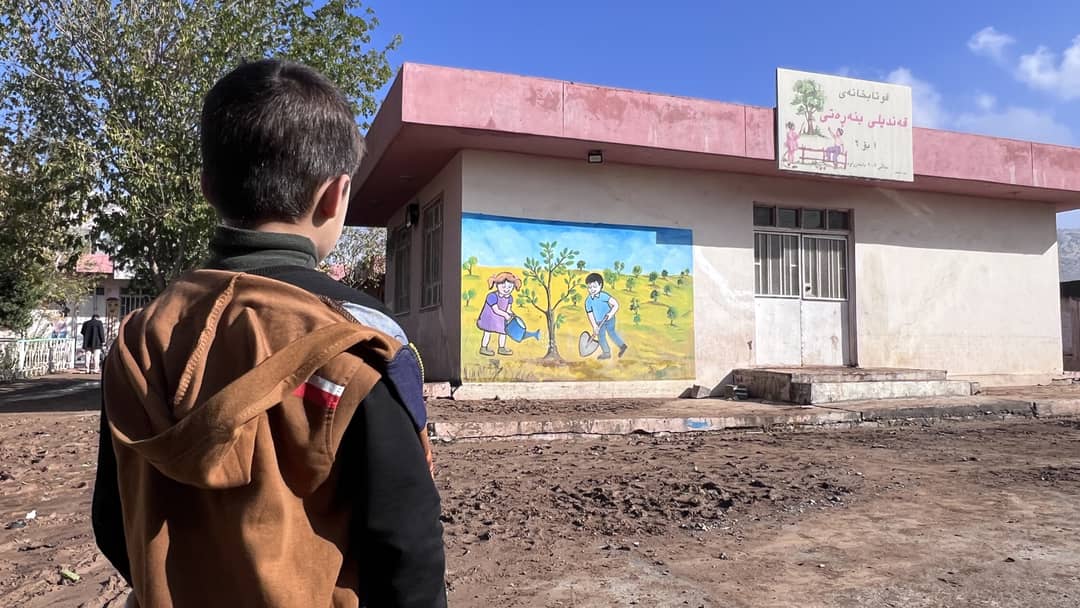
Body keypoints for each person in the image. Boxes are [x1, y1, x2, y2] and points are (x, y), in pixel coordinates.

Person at [92, 59, 446, 608]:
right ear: (336, 195)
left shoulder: (141, 336)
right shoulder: (362, 335)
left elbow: (114, 521)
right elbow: (407, 550)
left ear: (207, 187)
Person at [583, 273, 628, 360]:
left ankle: (622, 346)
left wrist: (610, 314)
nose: (592, 289)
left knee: (611, 333)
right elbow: (590, 314)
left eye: (594, 286)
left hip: (609, 319)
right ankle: (606, 353)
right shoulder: (588, 301)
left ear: (600, 285)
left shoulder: (604, 296)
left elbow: (615, 305)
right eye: (589, 287)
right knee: (601, 337)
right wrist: (595, 326)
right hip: (599, 322)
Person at [476, 271, 521, 356]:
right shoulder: (492, 296)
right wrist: (506, 315)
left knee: (503, 332)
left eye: (510, 287)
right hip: (490, 318)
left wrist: (513, 315)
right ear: (497, 285)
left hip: (500, 318)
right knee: (487, 332)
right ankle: (483, 348)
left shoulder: (510, 298)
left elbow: (508, 309)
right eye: (503, 286)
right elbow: (496, 310)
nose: (506, 289)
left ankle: (501, 348)